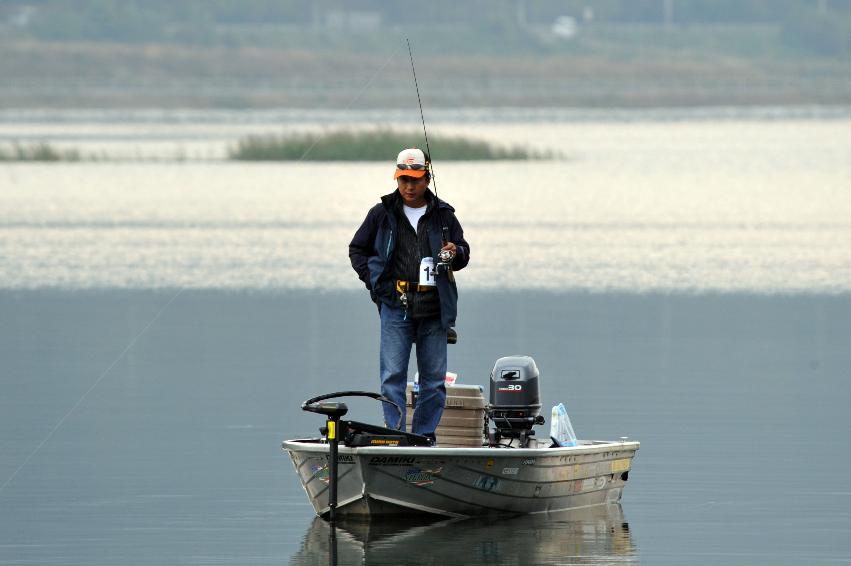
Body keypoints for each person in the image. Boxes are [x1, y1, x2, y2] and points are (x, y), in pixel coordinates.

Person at [349, 148, 470, 443]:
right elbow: (357, 250)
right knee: (392, 377)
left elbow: (464, 254)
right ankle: (395, 435)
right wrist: (376, 284)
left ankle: (424, 437)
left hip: (434, 308)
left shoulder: (444, 215)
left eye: (415, 180)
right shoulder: (381, 213)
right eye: (403, 179)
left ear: (427, 179)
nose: (408, 186)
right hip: (395, 305)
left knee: (433, 382)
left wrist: (455, 252)